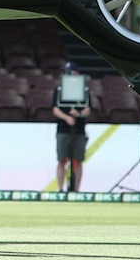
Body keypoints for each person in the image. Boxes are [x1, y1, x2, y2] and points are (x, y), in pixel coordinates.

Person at [51, 62, 91, 192]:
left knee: (78, 160)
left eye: (70, 72)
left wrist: (78, 114)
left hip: (79, 130)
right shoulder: (59, 90)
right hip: (63, 129)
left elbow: (87, 109)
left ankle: (77, 189)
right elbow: (55, 109)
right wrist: (66, 117)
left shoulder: (84, 90)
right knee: (61, 160)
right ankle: (60, 188)